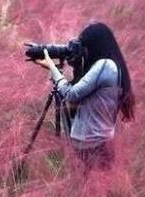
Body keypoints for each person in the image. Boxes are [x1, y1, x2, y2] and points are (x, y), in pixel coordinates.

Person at [35, 22, 135, 175]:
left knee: (93, 189)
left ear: (95, 45)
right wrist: (75, 68)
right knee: (97, 192)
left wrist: (53, 68)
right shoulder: (108, 65)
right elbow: (77, 98)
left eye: (85, 47)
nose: (83, 51)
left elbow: (71, 94)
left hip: (93, 145)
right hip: (98, 142)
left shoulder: (104, 66)